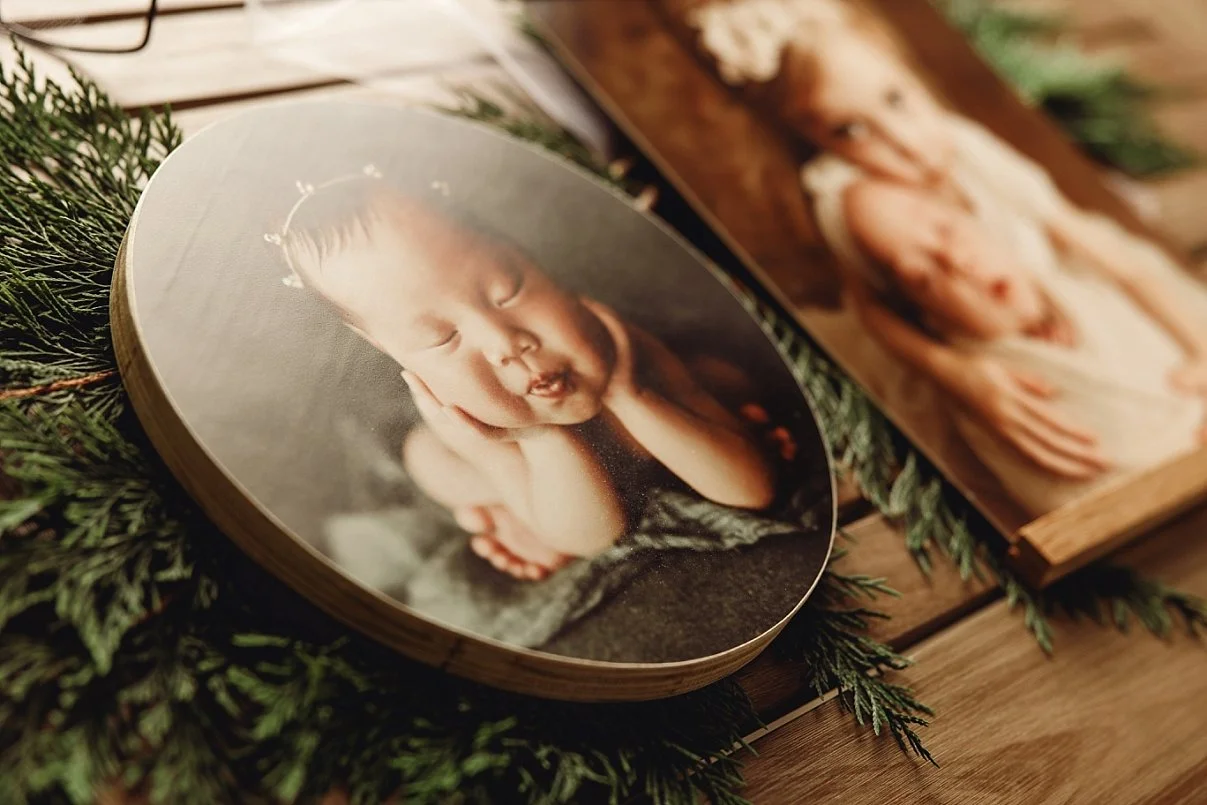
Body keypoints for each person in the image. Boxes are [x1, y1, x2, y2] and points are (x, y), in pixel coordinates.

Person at [757, 17, 1207, 482]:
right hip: (975, 334)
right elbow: (870, 309)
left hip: (1061, 288)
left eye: (895, 99)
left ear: (910, 70)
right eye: (850, 130)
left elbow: (1106, 254)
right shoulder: (856, 201)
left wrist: (1196, 343)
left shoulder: (968, 149)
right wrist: (959, 374)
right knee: (1075, 428)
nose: (903, 142)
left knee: (1160, 367)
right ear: (812, 136)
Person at [283, 189, 777, 580]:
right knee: (427, 459)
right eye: (442, 339)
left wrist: (632, 394)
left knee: (720, 375)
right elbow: (595, 537)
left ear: (542, 266)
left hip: (632, 392)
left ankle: (534, 509)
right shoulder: (468, 423)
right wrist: (539, 436)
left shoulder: (628, 349)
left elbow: (753, 490)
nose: (506, 342)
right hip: (472, 457)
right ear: (394, 354)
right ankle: (512, 508)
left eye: (509, 291)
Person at [844, 178, 1207, 513]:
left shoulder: (1083, 285)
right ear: (931, 320)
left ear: (976, 219)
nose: (957, 261)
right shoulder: (996, 392)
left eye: (946, 230)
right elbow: (1085, 503)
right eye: (921, 277)